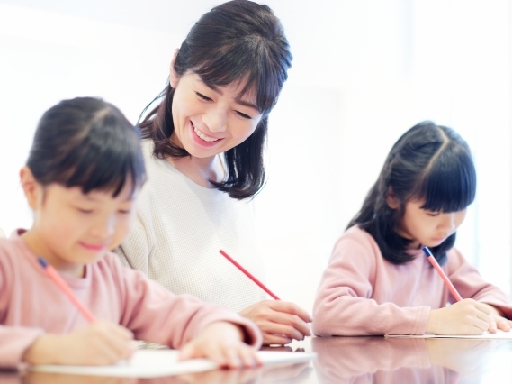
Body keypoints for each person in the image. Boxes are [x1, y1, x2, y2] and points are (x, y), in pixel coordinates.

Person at [0, 97, 262, 369]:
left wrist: (219, 333)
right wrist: (46, 348)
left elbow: (188, 315)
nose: (104, 230)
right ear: (32, 189)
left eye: (123, 211)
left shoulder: (114, 280)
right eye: (85, 210)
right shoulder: (7, 266)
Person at [115, 0, 311, 345]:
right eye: (205, 95)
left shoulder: (227, 180)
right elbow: (101, 332)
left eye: (243, 113)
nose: (214, 123)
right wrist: (231, 326)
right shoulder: (122, 174)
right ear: (176, 69)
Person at [312, 121, 512, 336]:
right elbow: (327, 313)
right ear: (393, 197)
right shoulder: (360, 245)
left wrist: (489, 311)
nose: (449, 225)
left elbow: (489, 292)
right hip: (370, 368)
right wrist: (430, 321)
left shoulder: (444, 255)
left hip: (427, 367)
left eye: (460, 209)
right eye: (433, 213)